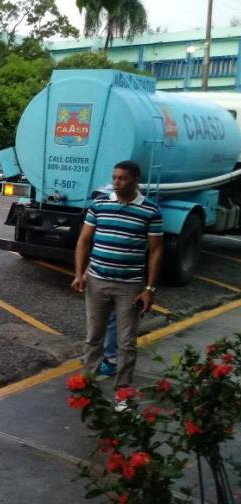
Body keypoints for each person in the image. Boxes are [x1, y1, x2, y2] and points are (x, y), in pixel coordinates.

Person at [72, 160, 163, 411]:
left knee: (126, 343)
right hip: (97, 282)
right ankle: (87, 389)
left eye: (122, 178)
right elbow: (83, 240)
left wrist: (150, 289)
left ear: (135, 180)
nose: (116, 182)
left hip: (130, 286)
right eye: (114, 177)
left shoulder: (150, 210)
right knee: (93, 338)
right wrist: (80, 274)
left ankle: (122, 395)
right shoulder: (100, 204)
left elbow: (156, 251)